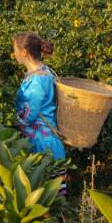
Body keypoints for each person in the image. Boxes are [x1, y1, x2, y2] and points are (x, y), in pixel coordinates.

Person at [13, 32, 66, 160]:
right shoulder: (43, 70)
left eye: (15, 50)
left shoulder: (36, 80)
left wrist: (10, 123)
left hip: (42, 145)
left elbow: (30, 114)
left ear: (24, 52)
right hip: (43, 139)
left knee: (47, 180)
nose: (14, 54)